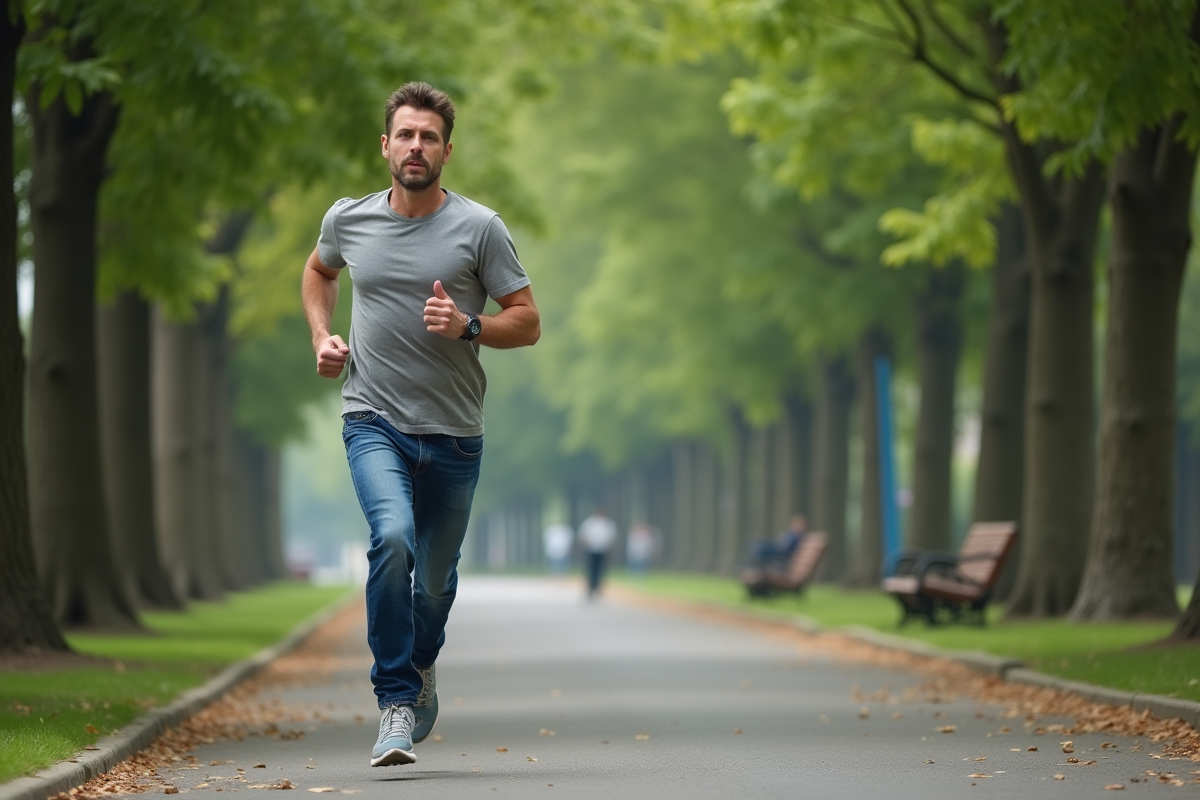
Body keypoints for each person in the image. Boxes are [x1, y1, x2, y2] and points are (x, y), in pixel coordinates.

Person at [301, 82, 540, 768]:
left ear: (446, 151)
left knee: (433, 585)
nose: (416, 146)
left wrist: (469, 325)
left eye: (428, 137)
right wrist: (322, 337)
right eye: (405, 135)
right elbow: (319, 272)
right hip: (372, 418)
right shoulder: (348, 220)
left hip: (456, 432)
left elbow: (527, 321)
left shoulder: (480, 228)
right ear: (385, 146)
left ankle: (422, 659)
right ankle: (396, 701)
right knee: (393, 537)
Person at [577, 507, 618, 600]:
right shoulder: (589, 523)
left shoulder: (608, 524)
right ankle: (590, 588)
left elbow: (611, 538)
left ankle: (598, 587)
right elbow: (583, 536)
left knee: (601, 570)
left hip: (603, 550)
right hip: (591, 549)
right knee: (590, 570)